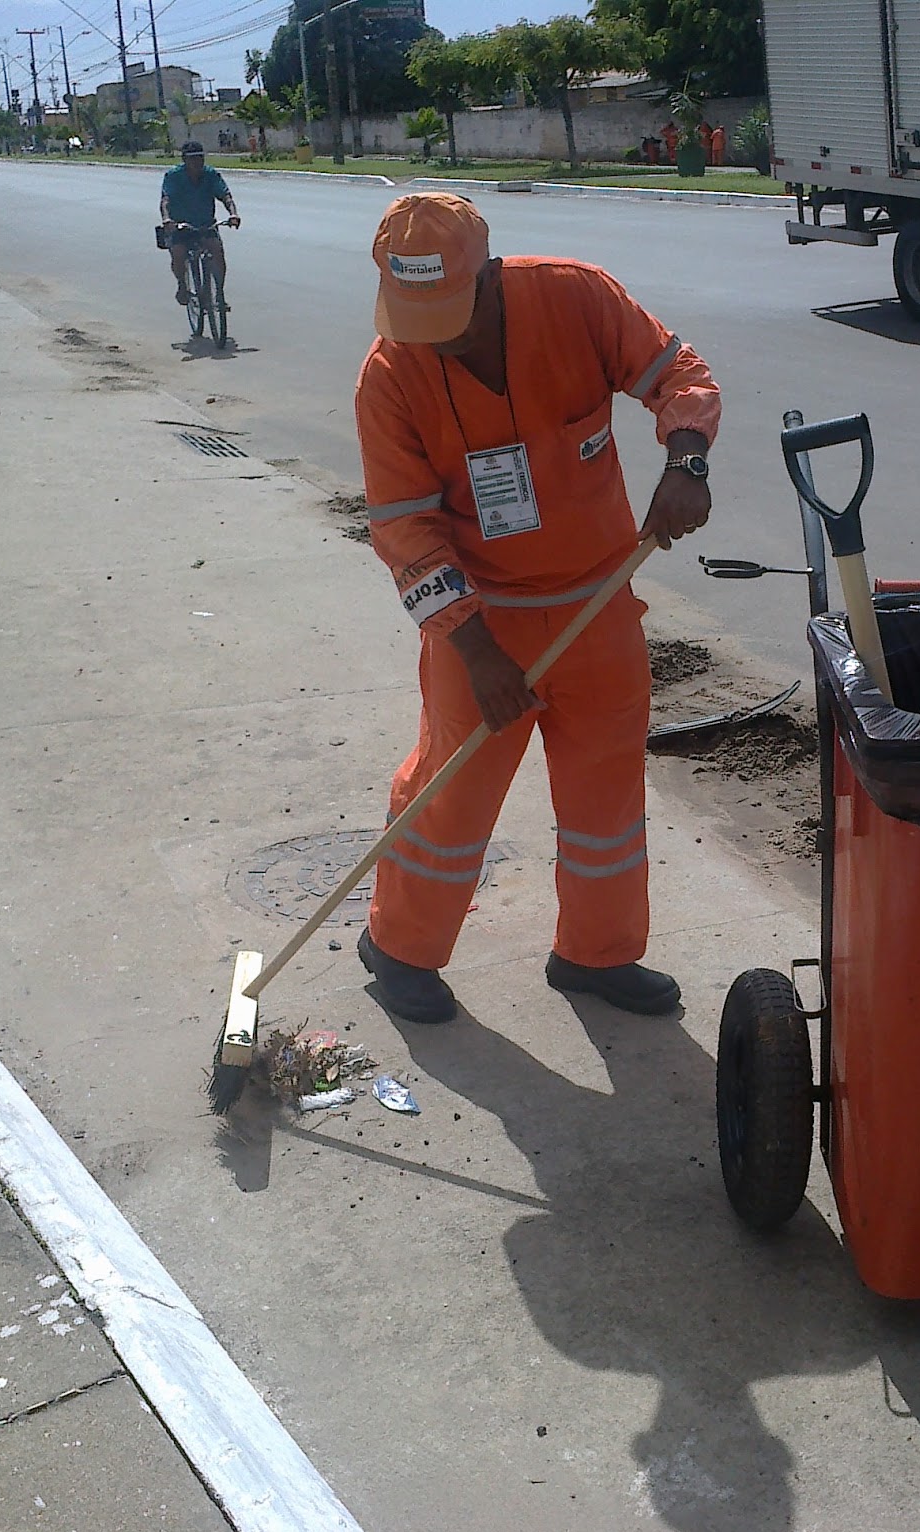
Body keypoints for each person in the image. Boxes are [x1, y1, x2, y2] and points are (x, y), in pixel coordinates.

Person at [353, 192, 720, 1024]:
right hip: (480, 622)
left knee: (605, 798)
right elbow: (404, 531)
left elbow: (679, 376)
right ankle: (399, 946)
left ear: (489, 275)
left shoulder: (576, 298)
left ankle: (597, 954)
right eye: (417, 318)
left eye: (450, 314)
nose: (435, 338)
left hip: (597, 604)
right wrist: (478, 651)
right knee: (453, 791)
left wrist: (687, 462)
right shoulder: (390, 376)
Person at [159, 141, 237, 306]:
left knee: (217, 251)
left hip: (206, 224)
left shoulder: (211, 175)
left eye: (200, 157)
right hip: (181, 226)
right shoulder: (173, 176)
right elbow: (165, 200)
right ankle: (182, 284)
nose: (197, 162)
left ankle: (219, 292)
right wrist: (167, 219)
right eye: (192, 158)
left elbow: (226, 196)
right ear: (184, 159)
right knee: (178, 252)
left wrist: (233, 214)